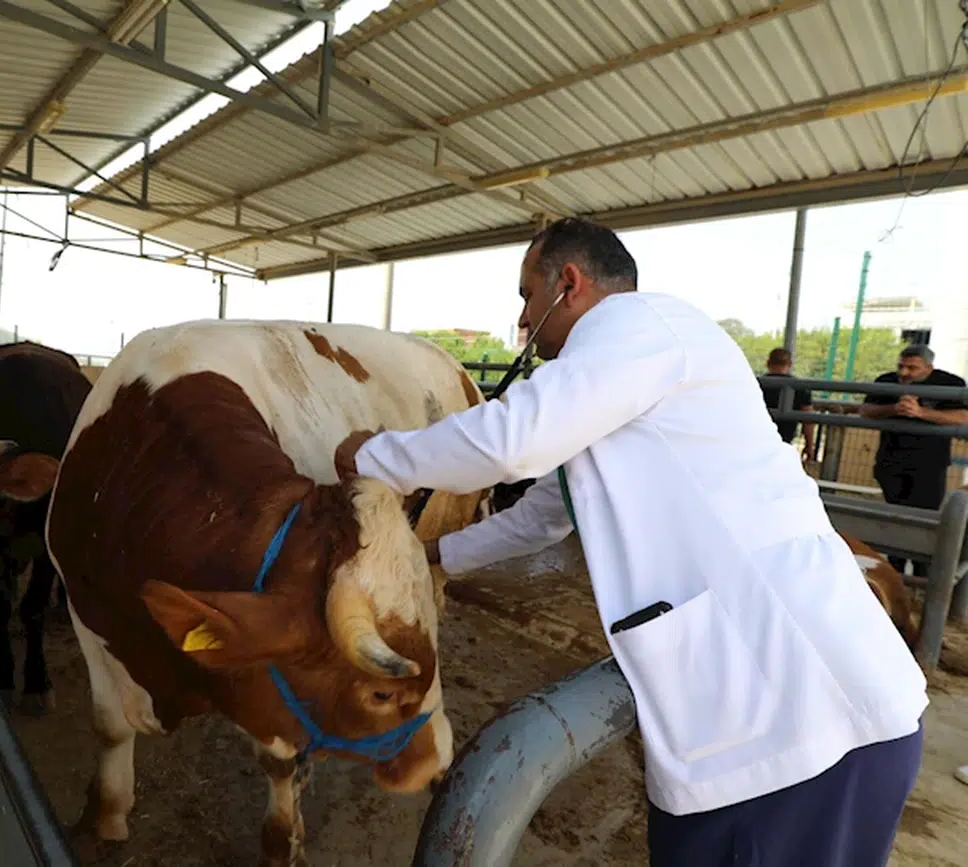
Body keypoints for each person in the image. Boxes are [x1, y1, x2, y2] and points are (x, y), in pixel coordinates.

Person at [335, 218, 927, 867]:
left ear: (570, 283)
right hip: (760, 729)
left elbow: (509, 441)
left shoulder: (640, 327)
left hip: (801, 728)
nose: (524, 318)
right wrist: (435, 558)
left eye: (528, 295)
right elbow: (540, 517)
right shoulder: (615, 386)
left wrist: (374, 455)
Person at [859, 345, 968, 576]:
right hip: (890, 462)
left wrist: (921, 413)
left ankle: (921, 576)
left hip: (929, 465)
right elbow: (866, 409)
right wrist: (894, 408)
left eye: (912, 368)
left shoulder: (950, 383)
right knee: (895, 517)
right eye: (901, 366)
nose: (905, 372)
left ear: (929, 367)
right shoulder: (887, 380)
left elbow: (963, 416)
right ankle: (897, 571)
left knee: (925, 520)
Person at [760, 346, 816, 462]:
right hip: (784, 442)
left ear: (768, 363)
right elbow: (808, 420)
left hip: (756, 439)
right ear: (789, 364)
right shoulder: (800, 387)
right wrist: (809, 445)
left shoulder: (756, 384)